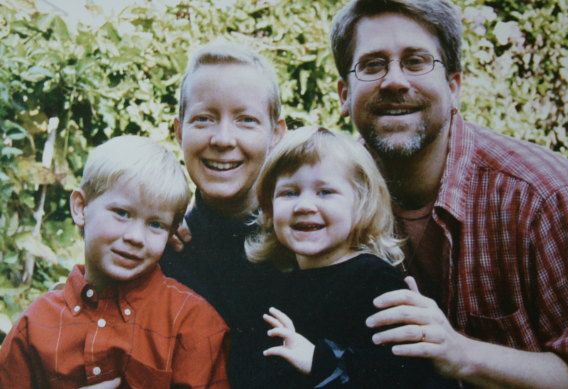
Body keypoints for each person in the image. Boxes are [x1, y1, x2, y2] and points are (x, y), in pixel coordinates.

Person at [330, 0, 568, 388]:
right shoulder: (329, 196)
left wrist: (458, 353)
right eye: (372, 64)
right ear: (344, 94)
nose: (394, 81)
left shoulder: (546, 199)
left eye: (416, 61)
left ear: (454, 86)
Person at [0, 136, 230, 389]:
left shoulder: (193, 323)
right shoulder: (36, 323)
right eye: (122, 213)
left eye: (155, 224)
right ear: (80, 208)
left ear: (171, 232)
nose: (135, 237)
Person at [244, 126, 456, 388]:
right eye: (289, 192)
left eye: (325, 192)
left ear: (362, 203)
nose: (304, 205)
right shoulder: (276, 279)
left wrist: (318, 360)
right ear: (269, 206)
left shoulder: (375, 280)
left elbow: (399, 373)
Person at [159, 42, 287, 388]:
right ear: (179, 131)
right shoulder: (157, 250)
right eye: (204, 119)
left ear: (276, 135)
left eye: (246, 120)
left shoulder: (304, 246)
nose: (223, 139)